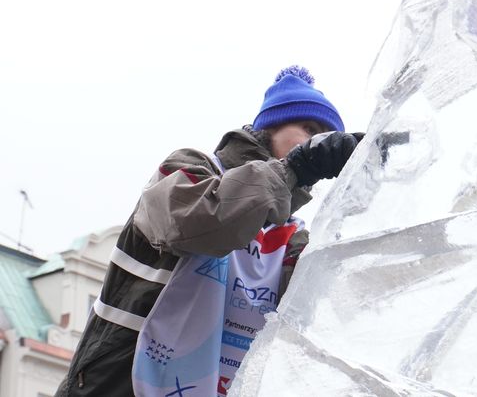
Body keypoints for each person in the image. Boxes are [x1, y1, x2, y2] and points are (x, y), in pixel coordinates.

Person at [55, 65, 363, 396]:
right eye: (308, 128)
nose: (317, 140)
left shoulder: (293, 236)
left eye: (325, 138)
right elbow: (201, 221)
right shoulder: (189, 169)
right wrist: (294, 168)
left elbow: (326, 311)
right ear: (271, 126)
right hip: (118, 383)